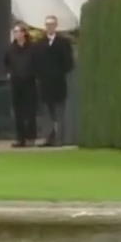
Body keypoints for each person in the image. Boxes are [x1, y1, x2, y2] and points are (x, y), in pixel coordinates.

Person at [34, 14, 73, 146]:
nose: (49, 27)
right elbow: (36, 63)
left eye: (52, 24)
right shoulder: (40, 43)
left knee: (59, 112)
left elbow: (69, 63)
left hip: (58, 82)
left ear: (56, 26)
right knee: (47, 112)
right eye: (47, 24)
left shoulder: (63, 43)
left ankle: (59, 139)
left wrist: (58, 72)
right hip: (45, 83)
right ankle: (48, 137)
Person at [4, 22, 37, 146]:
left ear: (24, 33)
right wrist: (9, 73)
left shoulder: (32, 48)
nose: (17, 34)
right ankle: (20, 138)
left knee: (30, 111)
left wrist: (33, 73)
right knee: (18, 111)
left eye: (19, 31)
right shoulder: (10, 49)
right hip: (16, 82)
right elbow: (6, 63)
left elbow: (36, 62)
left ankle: (31, 137)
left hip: (29, 82)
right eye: (15, 32)